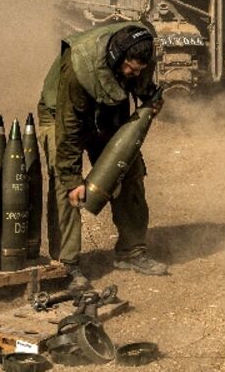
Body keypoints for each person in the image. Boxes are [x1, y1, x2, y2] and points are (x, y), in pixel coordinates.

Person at [36, 22, 167, 291]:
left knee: (130, 172)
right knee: (65, 185)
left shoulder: (142, 52)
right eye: (130, 67)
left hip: (107, 113)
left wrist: (150, 97)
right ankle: (67, 264)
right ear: (117, 55)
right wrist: (74, 179)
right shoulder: (78, 66)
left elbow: (141, 85)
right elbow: (68, 129)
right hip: (62, 116)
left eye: (139, 70)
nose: (133, 73)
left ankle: (131, 251)